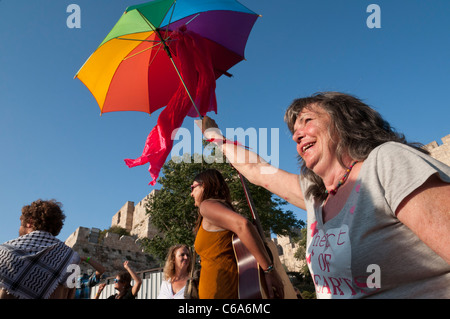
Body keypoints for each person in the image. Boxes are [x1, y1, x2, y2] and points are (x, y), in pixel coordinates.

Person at [197, 91, 450, 299]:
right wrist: (214, 136)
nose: (297, 135)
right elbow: (256, 170)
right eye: (295, 131)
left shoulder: (387, 163)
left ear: (344, 121)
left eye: (307, 121)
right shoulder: (316, 197)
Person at [191, 169, 284, 299]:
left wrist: (269, 270)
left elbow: (243, 225)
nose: (191, 193)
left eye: (193, 187)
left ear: (204, 186)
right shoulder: (220, 210)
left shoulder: (206, 206)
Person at [0, 199, 80, 299]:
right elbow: (70, 295)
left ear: (29, 222)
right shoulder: (72, 258)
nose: (19, 229)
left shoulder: (4, 251)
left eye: (21, 224)